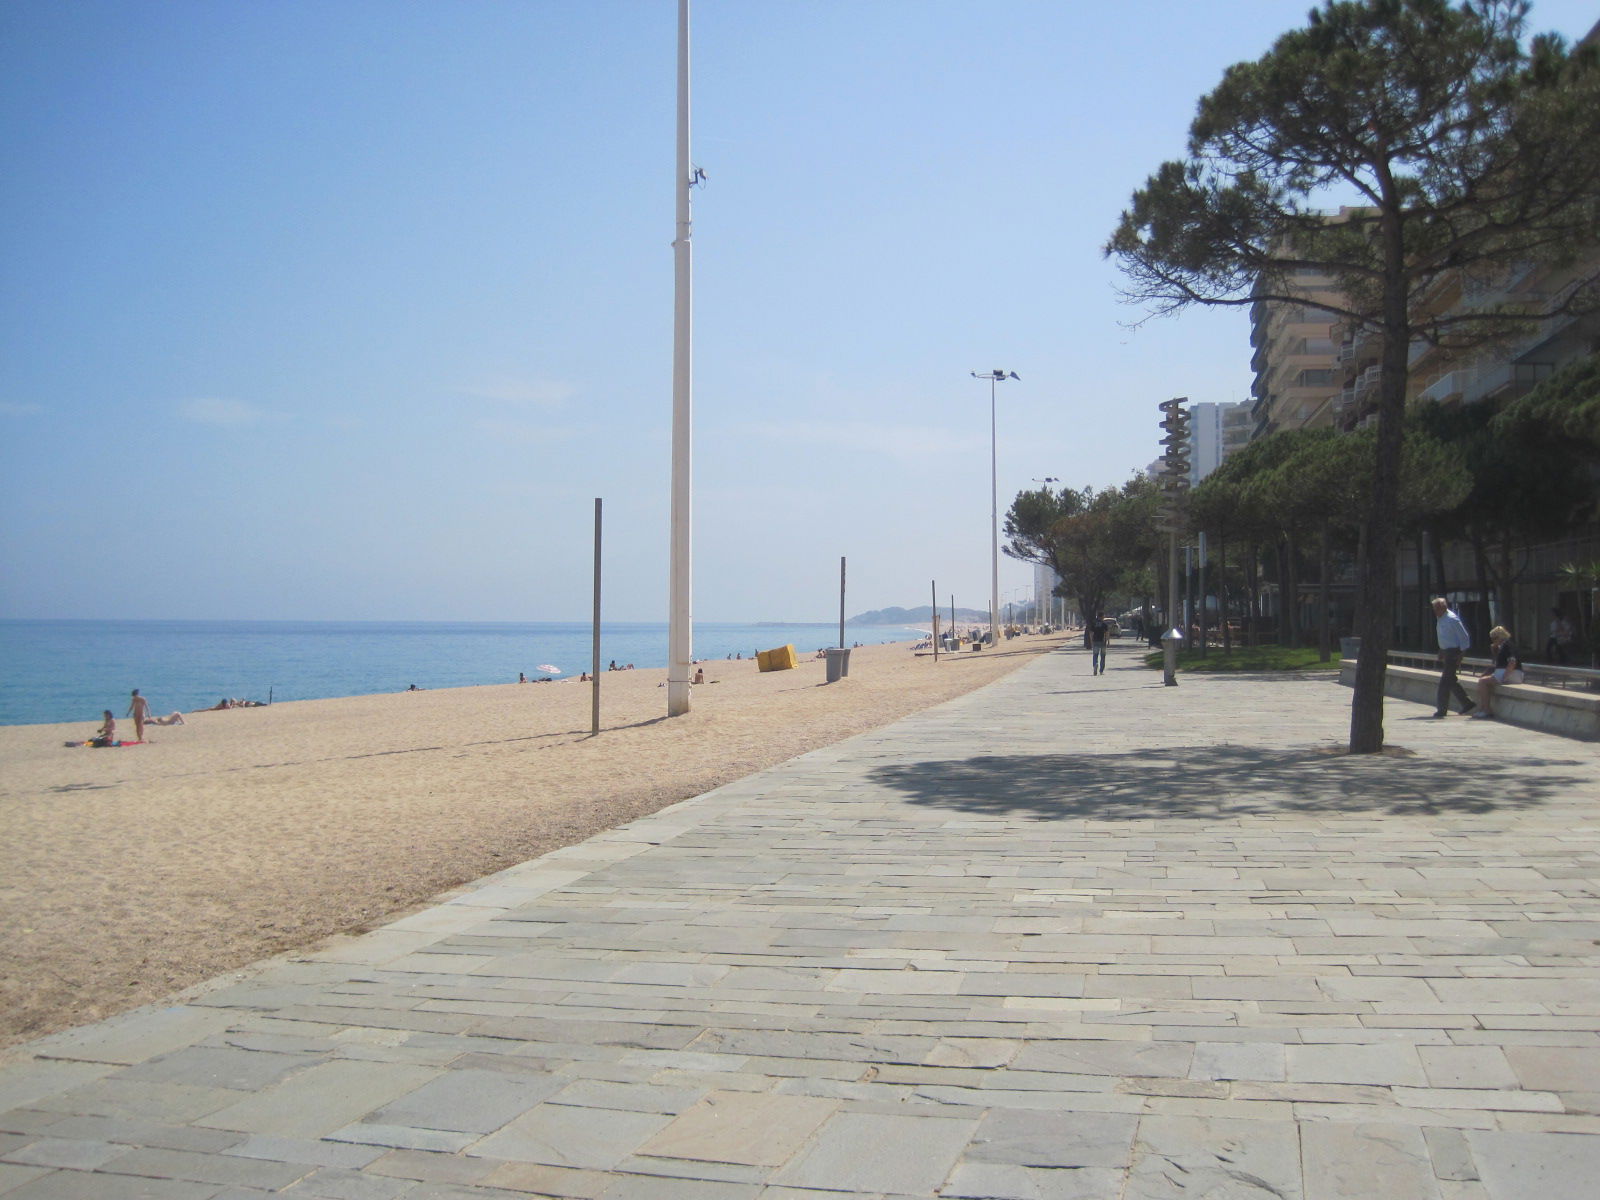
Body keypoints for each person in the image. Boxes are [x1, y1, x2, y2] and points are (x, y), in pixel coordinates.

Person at [1431, 596, 1475, 717]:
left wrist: (1462, 654)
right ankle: (1467, 702)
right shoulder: (1440, 618)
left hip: (1453, 652)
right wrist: (1441, 650)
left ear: (1443, 607)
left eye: (1437, 608)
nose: (1435, 611)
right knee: (1450, 680)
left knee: (1445, 682)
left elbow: (1464, 637)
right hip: (1446, 651)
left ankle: (1442, 709)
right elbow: (1445, 637)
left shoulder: (1452, 619)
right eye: (1434, 608)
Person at [1474, 625, 1523, 718]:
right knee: (1483, 680)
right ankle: (1482, 708)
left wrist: (1505, 676)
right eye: (1492, 639)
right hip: (1507, 673)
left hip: (1511, 674)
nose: (1493, 641)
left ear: (1500, 637)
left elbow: (1512, 662)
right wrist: (1494, 651)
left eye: (1494, 638)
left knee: (1482, 682)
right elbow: (1497, 664)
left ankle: (1486, 710)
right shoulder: (1503, 647)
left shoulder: (1508, 646)